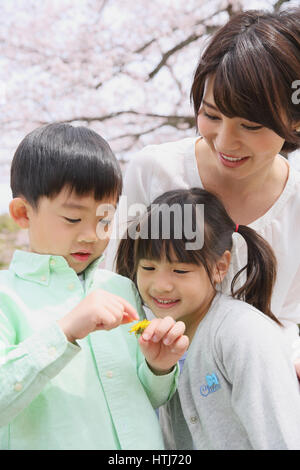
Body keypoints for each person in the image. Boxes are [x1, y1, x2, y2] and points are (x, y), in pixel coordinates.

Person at [105, 9, 300, 367]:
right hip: (158, 386)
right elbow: (115, 289)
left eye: (251, 126)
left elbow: (291, 318)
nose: (225, 142)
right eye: (211, 115)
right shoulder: (157, 171)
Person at [0, 123, 189, 450]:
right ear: (22, 213)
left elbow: (148, 397)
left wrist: (159, 366)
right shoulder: (7, 296)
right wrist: (65, 332)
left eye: (104, 220)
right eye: (73, 219)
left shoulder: (121, 288)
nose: (91, 234)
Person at [116, 187, 300, 450]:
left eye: (180, 270)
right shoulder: (156, 337)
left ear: (220, 267)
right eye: (148, 268)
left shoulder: (241, 334)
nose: (161, 285)